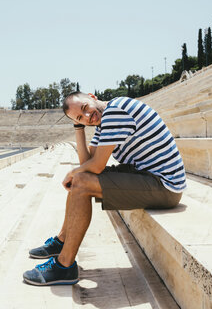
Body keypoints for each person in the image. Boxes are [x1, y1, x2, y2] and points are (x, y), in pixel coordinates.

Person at [23, 91, 187, 286]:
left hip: (164, 186)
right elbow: (88, 163)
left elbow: (97, 166)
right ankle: (62, 240)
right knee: (81, 179)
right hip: (147, 176)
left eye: (85, 108)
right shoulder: (102, 121)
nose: (87, 117)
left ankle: (64, 265)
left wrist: (72, 172)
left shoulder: (115, 111)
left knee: (81, 181)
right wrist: (79, 128)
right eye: (79, 118)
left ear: (92, 97)